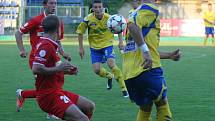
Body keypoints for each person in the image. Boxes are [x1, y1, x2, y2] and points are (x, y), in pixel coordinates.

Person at [122, 0, 180, 120]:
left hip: (129, 74)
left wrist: (169, 55)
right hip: (148, 70)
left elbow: (140, 46)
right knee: (162, 103)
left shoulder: (133, 13)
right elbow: (132, 26)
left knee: (145, 107)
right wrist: (146, 52)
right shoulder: (150, 8)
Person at [32, 15, 95, 121]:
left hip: (56, 91)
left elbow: (52, 67)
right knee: (83, 119)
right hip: (49, 96)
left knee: (89, 106)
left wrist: (66, 70)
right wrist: (58, 69)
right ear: (58, 29)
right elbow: (36, 68)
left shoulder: (50, 44)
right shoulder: (46, 45)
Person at [15, 0, 71, 119]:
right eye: (51, 3)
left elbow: (57, 41)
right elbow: (18, 33)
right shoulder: (36, 20)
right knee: (48, 88)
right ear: (44, 5)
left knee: (55, 85)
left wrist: (63, 53)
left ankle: (22, 94)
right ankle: (50, 111)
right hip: (38, 60)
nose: (53, 6)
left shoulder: (57, 22)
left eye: (55, 3)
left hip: (54, 59)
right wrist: (22, 50)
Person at [76, 0, 129, 97]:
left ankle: (124, 89)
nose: (98, 9)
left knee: (111, 64)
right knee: (96, 70)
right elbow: (80, 32)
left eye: (100, 7)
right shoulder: (88, 19)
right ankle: (109, 76)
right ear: (92, 9)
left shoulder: (110, 18)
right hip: (94, 48)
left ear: (103, 8)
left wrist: (121, 41)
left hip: (107, 45)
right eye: (95, 7)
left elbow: (119, 29)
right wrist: (81, 48)